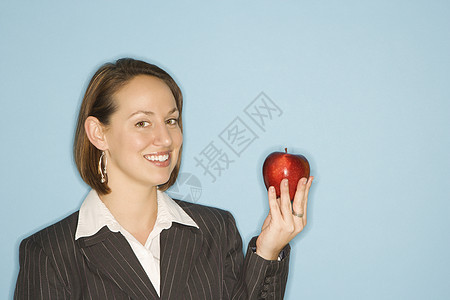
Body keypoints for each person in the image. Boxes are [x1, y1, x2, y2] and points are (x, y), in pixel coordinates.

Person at [14, 58, 313, 299]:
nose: (165, 138)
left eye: (171, 120)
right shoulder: (49, 253)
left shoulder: (216, 229)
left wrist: (268, 250)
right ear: (98, 133)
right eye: (142, 123)